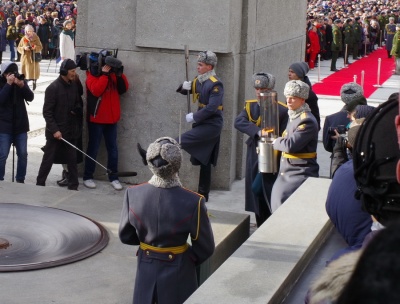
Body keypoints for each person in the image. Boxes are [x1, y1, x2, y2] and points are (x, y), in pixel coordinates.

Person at [119, 137, 215, 304]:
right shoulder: (194, 201)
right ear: (178, 164)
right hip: (179, 272)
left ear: (149, 163)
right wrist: (185, 258)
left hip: (145, 267)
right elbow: (205, 248)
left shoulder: (132, 194)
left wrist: (148, 247)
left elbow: (125, 235)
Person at [138, 50, 224, 202]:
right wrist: (185, 87)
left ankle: (150, 155)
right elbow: (188, 90)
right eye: (198, 64)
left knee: (177, 141)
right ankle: (204, 196)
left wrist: (194, 116)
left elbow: (212, 107)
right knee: (205, 161)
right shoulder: (201, 80)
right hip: (202, 124)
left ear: (209, 67)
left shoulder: (215, 84)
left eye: (201, 65)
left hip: (211, 126)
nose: (197, 67)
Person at [234, 72, 288, 227]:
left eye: (262, 88)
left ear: (271, 89)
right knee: (255, 192)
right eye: (256, 89)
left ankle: (269, 221)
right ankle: (260, 221)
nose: (259, 92)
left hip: (274, 154)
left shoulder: (282, 110)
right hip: (254, 151)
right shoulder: (250, 106)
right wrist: (257, 131)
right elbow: (239, 122)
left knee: (264, 189)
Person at [270, 80, 319, 212]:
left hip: (300, 172)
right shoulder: (294, 116)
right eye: (287, 98)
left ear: (302, 100)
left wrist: (276, 141)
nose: (289, 101)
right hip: (289, 170)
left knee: (281, 204)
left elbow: (290, 145)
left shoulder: (306, 120)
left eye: (293, 98)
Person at [83, 52, 129, 191]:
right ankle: (87, 176)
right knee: (93, 148)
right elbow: (96, 91)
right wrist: (104, 75)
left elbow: (124, 88)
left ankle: (114, 177)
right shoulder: (91, 75)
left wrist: (119, 74)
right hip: (97, 119)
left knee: (113, 149)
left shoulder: (114, 75)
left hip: (112, 119)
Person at [36, 59, 83, 190]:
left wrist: (77, 109)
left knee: (72, 160)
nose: (74, 73)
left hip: (70, 131)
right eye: (72, 71)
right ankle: (40, 184)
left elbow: (78, 100)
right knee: (48, 160)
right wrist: (55, 130)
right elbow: (47, 113)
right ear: (64, 72)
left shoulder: (73, 85)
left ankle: (74, 185)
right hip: (55, 133)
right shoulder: (53, 88)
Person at [322, 82, 367, 177]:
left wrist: (339, 146)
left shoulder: (331, 119)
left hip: (338, 164)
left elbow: (327, 146)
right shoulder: (371, 116)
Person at [0, 61, 34, 183]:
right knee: (2, 155)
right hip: (4, 126)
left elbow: (30, 97)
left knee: (23, 154)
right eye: (9, 74)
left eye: (14, 73)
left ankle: (20, 179)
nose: (13, 76)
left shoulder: (20, 82)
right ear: (4, 75)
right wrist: (8, 85)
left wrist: (22, 86)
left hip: (20, 125)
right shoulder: (2, 83)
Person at [288, 61, 321, 130]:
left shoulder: (308, 94)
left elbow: (315, 116)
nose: (289, 74)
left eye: (292, 72)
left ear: (299, 74)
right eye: (289, 71)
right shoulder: (290, 88)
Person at [17, 24, 42, 91]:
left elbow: (40, 47)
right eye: (28, 31)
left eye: (31, 31)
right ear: (26, 31)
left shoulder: (36, 38)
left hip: (33, 58)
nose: (29, 32)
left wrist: (35, 47)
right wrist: (24, 48)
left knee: (33, 74)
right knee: (25, 75)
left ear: (33, 31)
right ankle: (25, 86)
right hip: (25, 59)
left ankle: (34, 81)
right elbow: (19, 48)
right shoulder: (23, 38)